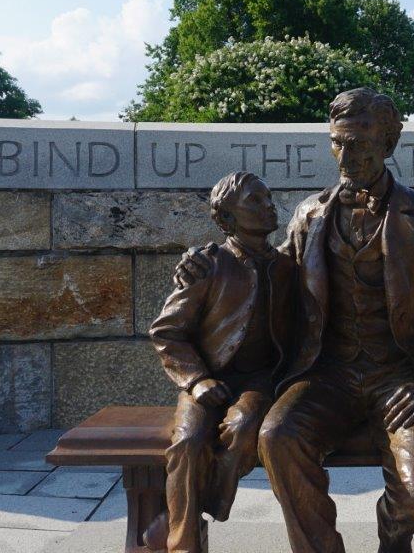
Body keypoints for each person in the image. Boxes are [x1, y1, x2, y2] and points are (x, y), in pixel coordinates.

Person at [176, 88, 414, 553]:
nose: (348, 154)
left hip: (401, 379)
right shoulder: (309, 214)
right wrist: (206, 263)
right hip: (326, 377)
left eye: (361, 142)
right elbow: (267, 270)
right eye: (339, 142)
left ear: (389, 141)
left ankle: (393, 533)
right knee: (277, 437)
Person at [149, 171, 293, 553]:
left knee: (244, 427)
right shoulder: (208, 265)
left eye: (268, 198)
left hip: (260, 381)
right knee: (188, 442)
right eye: (255, 202)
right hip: (206, 379)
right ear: (226, 218)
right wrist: (196, 380)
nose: (268, 206)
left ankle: (202, 509)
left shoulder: (288, 267)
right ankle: (184, 544)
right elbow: (167, 332)